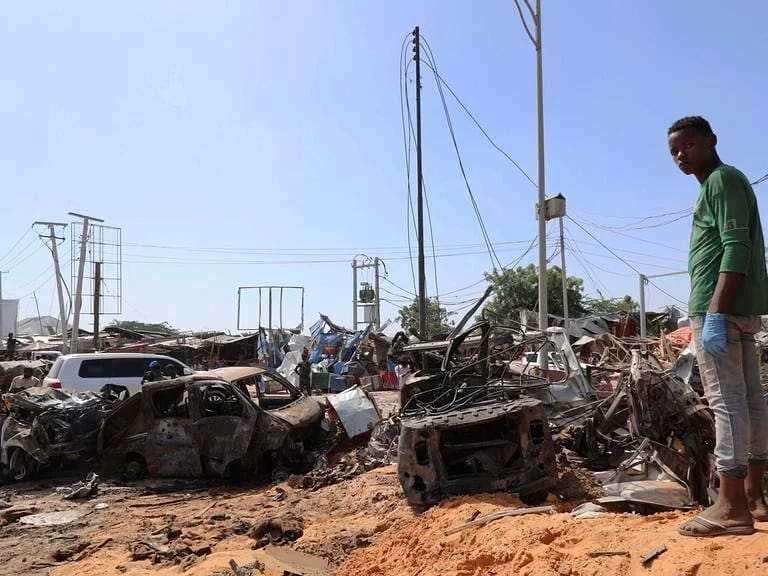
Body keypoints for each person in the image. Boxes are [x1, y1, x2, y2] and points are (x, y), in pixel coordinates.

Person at [668, 116, 768, 537]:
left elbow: (735, 246)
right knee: (751, 401)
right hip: (738, 309)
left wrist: (713, 312)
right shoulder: (723, 183)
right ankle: (754, 496)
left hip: (720, 309)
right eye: (674, 151)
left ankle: (731, 507)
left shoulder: (721, 180)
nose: (680, 155)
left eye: (688, 145)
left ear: (711, 141)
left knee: (727, 402)